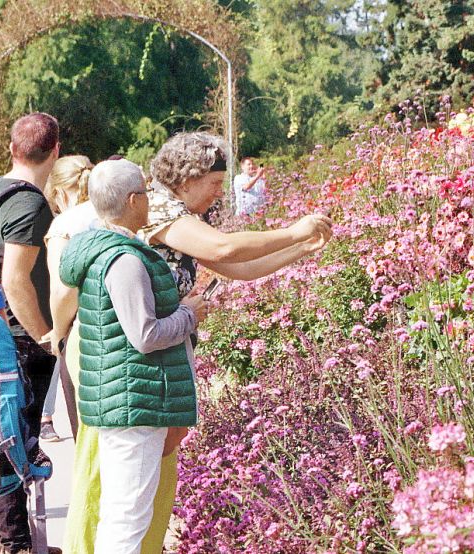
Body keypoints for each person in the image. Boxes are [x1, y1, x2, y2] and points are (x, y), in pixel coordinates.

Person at [63, 132, 333, 554]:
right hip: (131, 357)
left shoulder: (181, 214)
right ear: (188, 178)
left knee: (142, 479)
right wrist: (292, 230)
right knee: (121, 483)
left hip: (151, 355)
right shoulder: (160, 209)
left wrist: (301, 248)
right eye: (214, 184)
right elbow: (224, 247)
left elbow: (235, 267)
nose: (218, 194)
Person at [59, 159, 209, 553]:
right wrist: (190, 315)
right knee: (128, 518)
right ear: (132, 200)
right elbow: (144, 335)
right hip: (136, 403)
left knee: (120, 511)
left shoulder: (103, 249)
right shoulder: (124, 260)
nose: (150, 199)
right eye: (146, 192)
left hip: (124, 398)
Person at [0, 112, 61, 554]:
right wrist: (44, 336)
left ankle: (12, 539)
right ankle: (15, 543)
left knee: (6, 437)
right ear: (54, 151)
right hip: (18, 340)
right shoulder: (29, 203)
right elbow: (16, 279)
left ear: (12, 148)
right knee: (15, 440)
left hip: (4, 333)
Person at [39, 155, 93, 442]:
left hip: (83, 334)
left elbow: (63, 289)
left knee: (86, 435)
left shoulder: (64, 226)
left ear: (58, 192)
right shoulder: (113, 212)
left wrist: (58, 335)